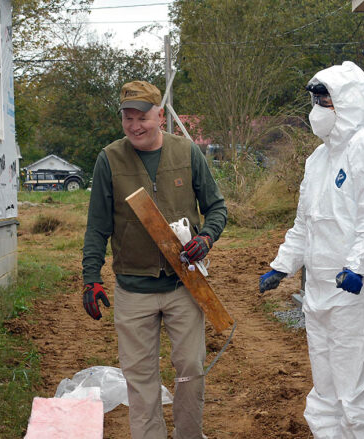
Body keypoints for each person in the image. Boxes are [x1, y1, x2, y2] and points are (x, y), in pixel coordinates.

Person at [259, 61, 364, 438]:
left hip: (359, 295)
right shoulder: (317, 160)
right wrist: (283, 265)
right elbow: (306, 223)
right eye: (315, 102)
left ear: (349, 103)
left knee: (359, 395)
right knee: (326, 393)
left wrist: (357, 266)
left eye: (326, 102)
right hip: (320, 294)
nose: (317, 111)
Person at [81, 80, 227, 439]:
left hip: (183, 284)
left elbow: (217, 208)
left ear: (160, 116)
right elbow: (97, 226)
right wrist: (91, 276)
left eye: (142, 117)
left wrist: (206, 238)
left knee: (190, 368)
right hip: (134, 289)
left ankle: (188, 435)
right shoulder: (109, 159)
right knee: (140, 377)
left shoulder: (187, 152)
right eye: (127, 118)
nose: (134, 126)